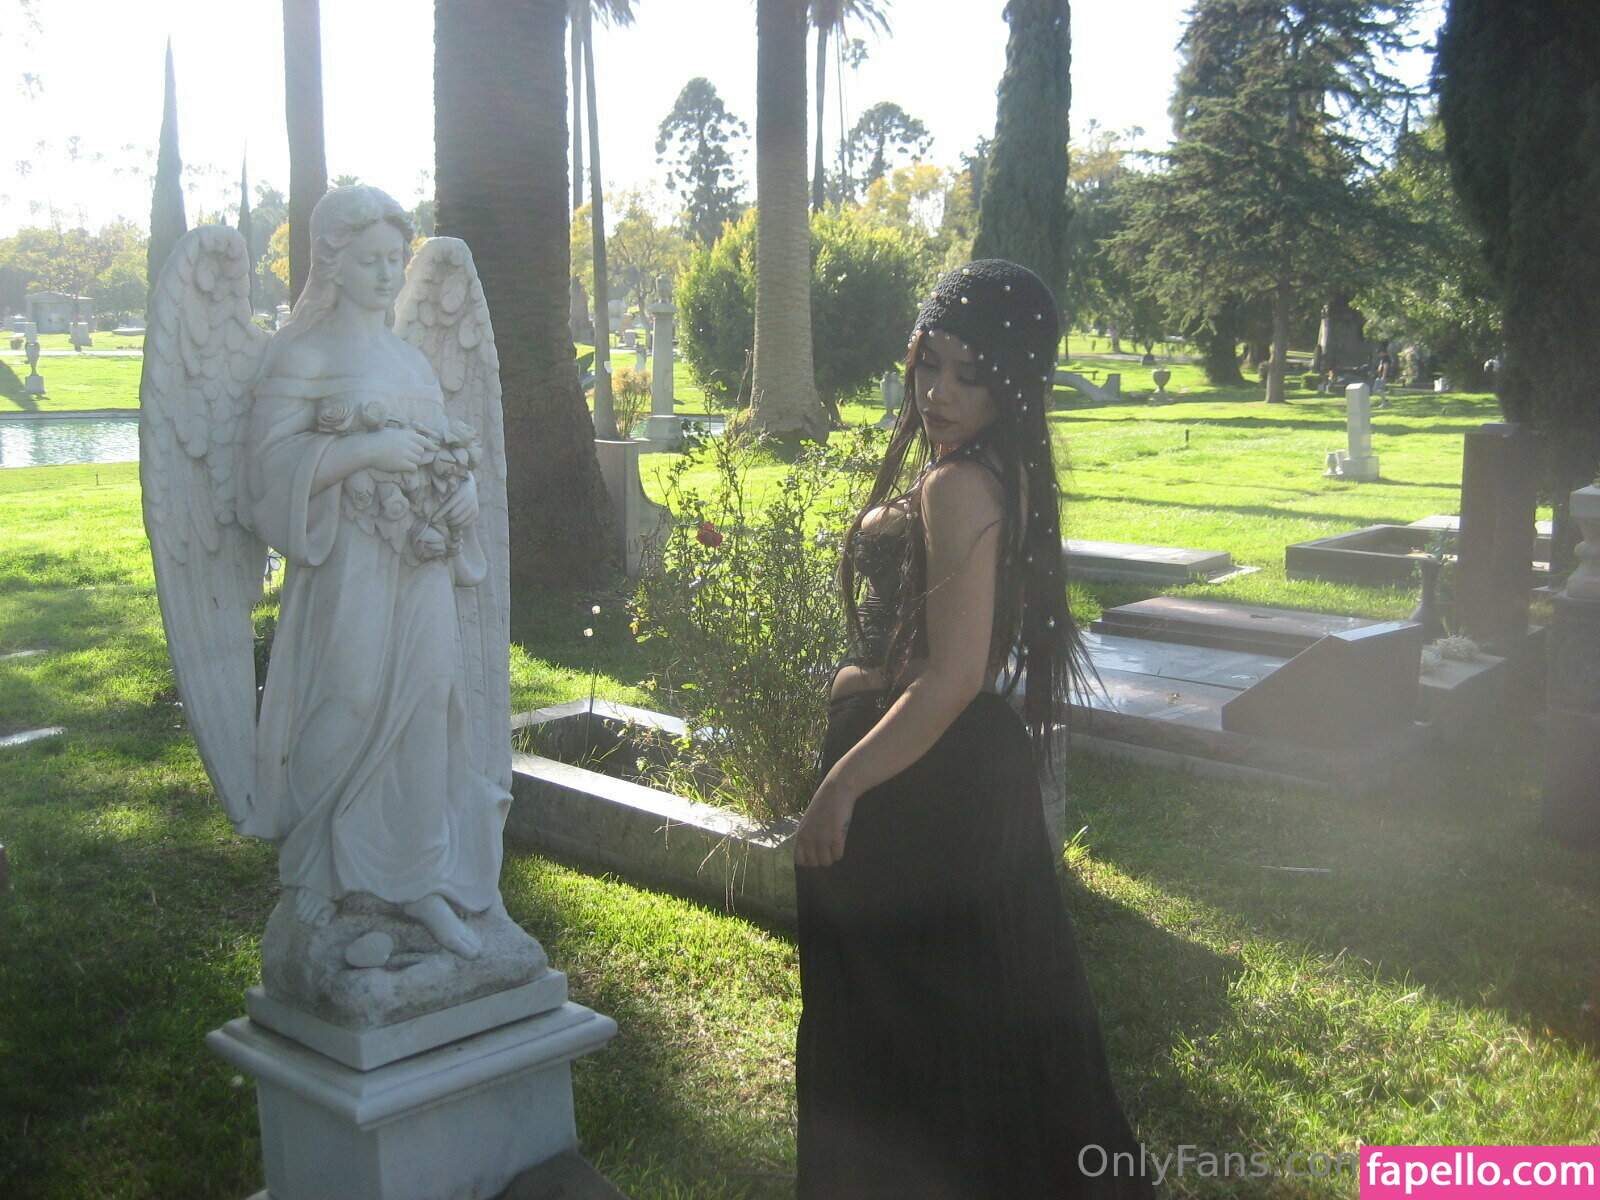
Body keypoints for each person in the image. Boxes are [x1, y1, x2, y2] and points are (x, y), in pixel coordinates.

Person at [793, 260, 1155, 1199]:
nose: (940, 393)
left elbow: (954, 676)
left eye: (971, 374)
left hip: (913, 786)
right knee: (963, 1026)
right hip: (955, 777)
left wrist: (840, 785)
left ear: (1013, 385)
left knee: (895, 1034)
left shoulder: (958, 485)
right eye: (930, 364)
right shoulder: (1003, 469)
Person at [244, 187, 508, 960]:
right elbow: (265, 478)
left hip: (420, 562)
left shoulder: (412, 363)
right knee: (349, 695)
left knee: (429, 703)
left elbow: (443, 454)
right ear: (332, 262)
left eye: (396, 258)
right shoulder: (302, 355)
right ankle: (318, 869)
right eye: (371, 260)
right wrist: (363, 451)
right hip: (349, 563)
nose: (389, 273)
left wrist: (462, 494)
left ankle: (422, 882)